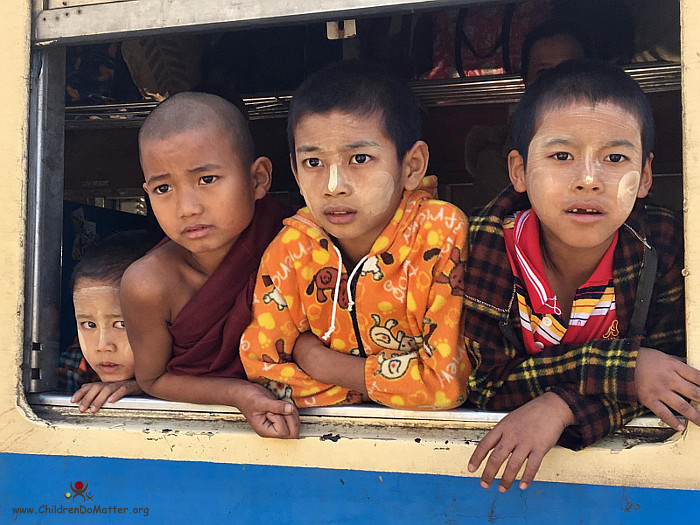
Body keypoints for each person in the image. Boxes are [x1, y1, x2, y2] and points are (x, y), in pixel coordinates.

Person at [464, 60, 700, 493]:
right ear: (518, 170)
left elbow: (670, 385)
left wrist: (562, 406)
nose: (589, 180)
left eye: (614, 158)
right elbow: (485, 386)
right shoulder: (482, 243)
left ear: (645, 176)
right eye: (561, 156)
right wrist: (626, 369)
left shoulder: (662, 244)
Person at [240, 61, 470, 410]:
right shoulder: (291, 250)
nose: (334, 187)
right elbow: (265, 373)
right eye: (313, 163)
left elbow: (446, 386)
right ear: (295, 172)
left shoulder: (439, 235)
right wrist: (383, 389)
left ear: (411, 166)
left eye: (359, 158)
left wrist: (321, 363)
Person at [120, 92, 299, 438]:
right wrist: (238, 395)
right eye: (163, 188)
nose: (186, 207)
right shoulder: (149, 284)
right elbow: (153, 379)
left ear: (258, 179)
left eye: (206, 180)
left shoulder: (295, 243)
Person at [465, 20, 589, 210]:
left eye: (570, 70)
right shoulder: (497, 157)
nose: (558, 82)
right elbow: (491, 233)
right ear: (526, 83)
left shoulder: (620, 142)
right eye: (544, 72)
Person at [59, 230, 154, 413]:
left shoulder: (188, 364)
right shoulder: (70, 367)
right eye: (89, 325)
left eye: (122, 324)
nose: (103, 346)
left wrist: (145, 388)